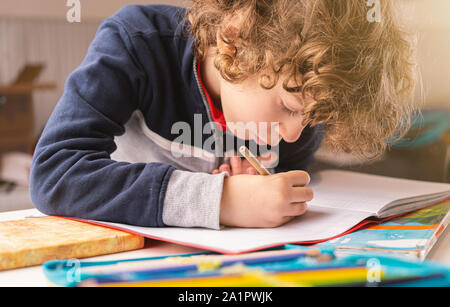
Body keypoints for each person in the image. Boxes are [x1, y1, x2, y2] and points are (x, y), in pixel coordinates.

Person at [30, 1, 417, 230]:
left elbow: (288, 168)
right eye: (288, 108)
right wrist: (222, 200)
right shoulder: (135, 43)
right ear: (235, 40)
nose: (296, 135)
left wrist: (264, 189)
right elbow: (55, 174)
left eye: (313, 120)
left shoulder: (304, 101)